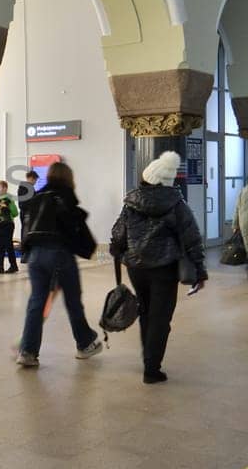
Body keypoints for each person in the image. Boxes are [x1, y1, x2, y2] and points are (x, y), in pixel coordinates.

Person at [109, 151, 206, 384]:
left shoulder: (131, 202)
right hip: (165, 267)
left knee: (145, 311)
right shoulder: (176, 204)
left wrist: (122, 254)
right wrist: (199, 269)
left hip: (136, 267)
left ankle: (148, 358)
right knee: (160, 317)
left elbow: (117, 234)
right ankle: (152, 368)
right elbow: (191, 237)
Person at [15, 161, 101, 368]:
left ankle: (27, 351)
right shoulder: (64, 197)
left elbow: (27, 226)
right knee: (73, 301)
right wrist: (87, 247)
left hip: (35, 255)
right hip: (59, 255)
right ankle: (85, 343)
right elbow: (74, 227)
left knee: (36, 302)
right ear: (68, 178)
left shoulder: (37, 198)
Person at [0, 180, 19, 274]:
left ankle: (13, 265)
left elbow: (15, 213)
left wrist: (7, 208)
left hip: (7, 224)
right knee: (0, 246)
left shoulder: (8, 199)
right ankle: (0, 266)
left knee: (8, 245)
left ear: (5, 188)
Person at [17, 169, 41, 264]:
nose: (35, 182)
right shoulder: (27, 188)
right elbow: (26, 203)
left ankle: (26, 255)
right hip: (27, 214)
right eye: (35, 180)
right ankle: (25, 255)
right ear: (31, 178)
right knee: (27, 234)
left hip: (26, 213)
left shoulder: (26, 188)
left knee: (26, 234)